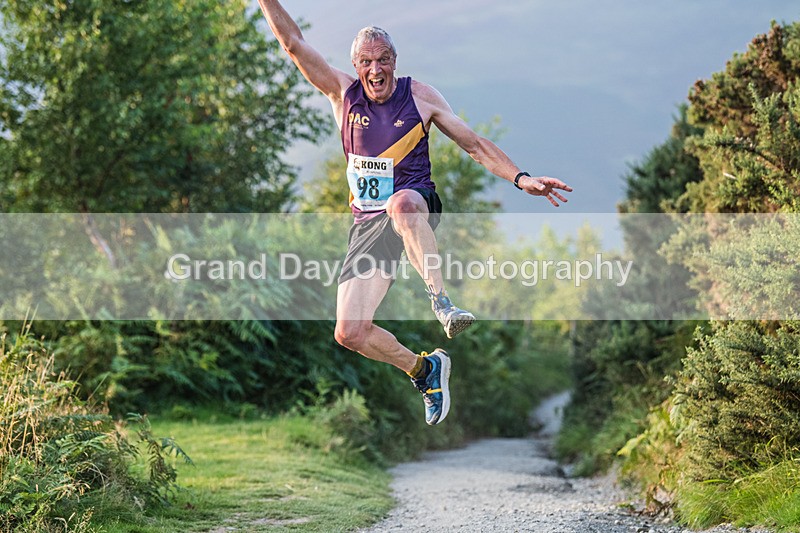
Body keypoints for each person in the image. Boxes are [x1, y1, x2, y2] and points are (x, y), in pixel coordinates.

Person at [257, 0, 573, 425]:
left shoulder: (419, 96)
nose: (375, 70)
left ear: (394, 61)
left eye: (383, 60)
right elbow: (292, 43)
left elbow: (475, 144)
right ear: (356, 64)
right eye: (366, 62)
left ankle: (441, 303)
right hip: (368, 226)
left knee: (400, 203)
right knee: (349, 332)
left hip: (415, 203)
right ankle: (424, 370)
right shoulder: (342, 94)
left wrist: (522, 178)